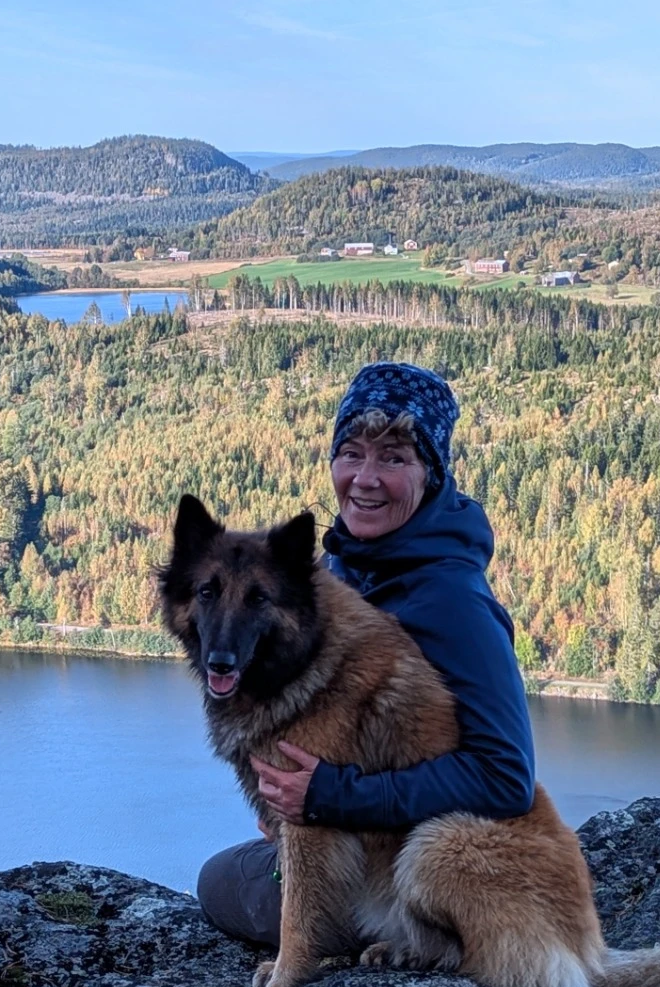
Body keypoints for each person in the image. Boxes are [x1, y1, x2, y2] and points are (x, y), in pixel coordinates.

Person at [194, 361, 536, 948]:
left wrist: (331, 798)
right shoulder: (340, 566)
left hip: (412, 872)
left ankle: (394, 934)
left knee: (219, 883)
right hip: (366, 836)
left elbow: (507, 778)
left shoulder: (451, 599)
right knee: (234, 865)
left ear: (430, 474)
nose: (365, 478)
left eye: (394, 458)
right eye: (351, 452)